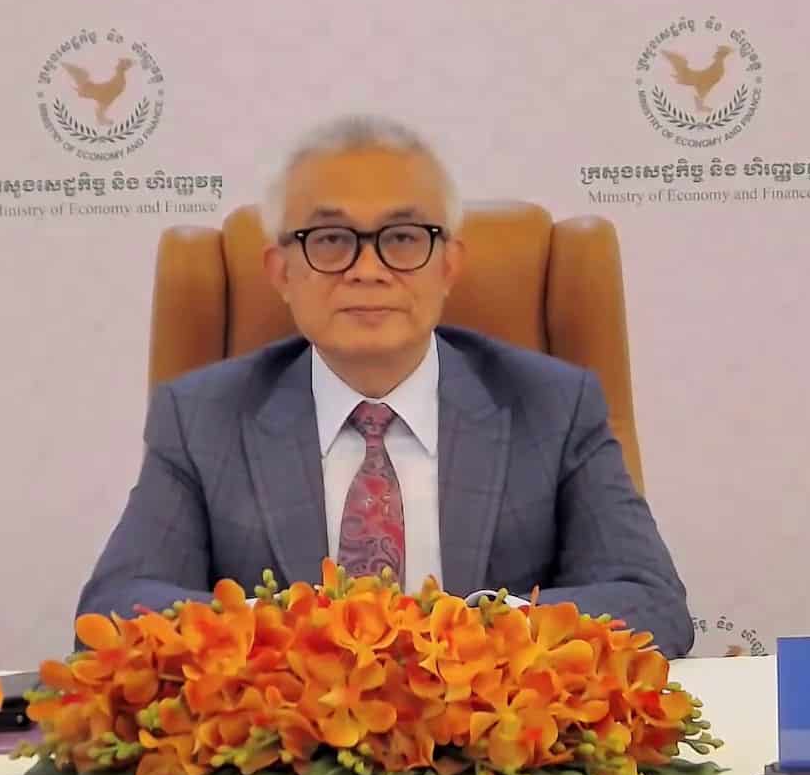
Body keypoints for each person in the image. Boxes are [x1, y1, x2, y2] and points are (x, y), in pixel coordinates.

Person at [76, 115, 694, 657]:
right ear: (280, 271)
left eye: (402, 239)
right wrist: (298, 636)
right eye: (330, 240)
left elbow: (650, 602)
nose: (367, 270)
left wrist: (470, 630)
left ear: (449, 264)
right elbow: (114, 610)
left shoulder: (552, 406)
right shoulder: (202, 416)